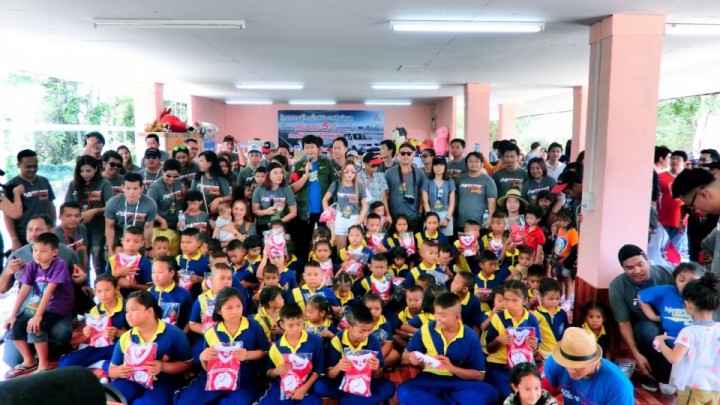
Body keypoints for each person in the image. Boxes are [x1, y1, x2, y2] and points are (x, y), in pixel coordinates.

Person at [398, 292, 498, 405]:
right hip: (430, 379)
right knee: (405, 391)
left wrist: (452, 368)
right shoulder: (426, 329)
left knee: (489, 393)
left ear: (457, 317)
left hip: (459, 381)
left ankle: (439, 401)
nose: (437, 318)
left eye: (442, 315)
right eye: (436, 313)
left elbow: (479, 375)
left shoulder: (470, 336)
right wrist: (411, 357)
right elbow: (405, 355)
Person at [3, 233, 74, 378]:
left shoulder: (59, 264)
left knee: (36, 327)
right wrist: (13, 315)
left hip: (58, 302)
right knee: (14, 326)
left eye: (43, 251)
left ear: (54, 252)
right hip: (36, 301)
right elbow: (24, 289)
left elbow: (49, 291)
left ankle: (44, 364)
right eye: (35, 250)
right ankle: (29, 360)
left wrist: (37, 316)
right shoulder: (32, 265)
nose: (38, 254)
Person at [609, 244, 674, 393]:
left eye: (640, 264)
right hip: (647, 328)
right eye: (630, 268)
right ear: (623, 269)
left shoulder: (668, 274)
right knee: (646, 330)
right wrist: (636, 354)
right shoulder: (617, 286)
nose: (637, 271)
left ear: (647, 259)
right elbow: (623, 322)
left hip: (673, 322)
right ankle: (659, 376)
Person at [108, 290, 192, 404]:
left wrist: (162, 366)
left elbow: (187, 364)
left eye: (134, 310)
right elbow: (111, 370)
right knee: (109, 397)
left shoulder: (175, 334)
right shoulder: (126, 337)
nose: (129, 315)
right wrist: (119, 371)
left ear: (150, 311)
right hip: (131, 380)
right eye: (127, 311)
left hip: (162, 381)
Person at [654, 272, 720, 405]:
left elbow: (674, 358)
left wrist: (661, 343)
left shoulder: (689, 332)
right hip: (716, 388)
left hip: (692, 387)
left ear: (688, 306)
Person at [313, 305, 396, 404]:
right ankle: (357, 400)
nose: (366, 334)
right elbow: (331, 375)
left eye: (369, 330)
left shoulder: (373, 341)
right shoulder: (337, 340)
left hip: (366, 382)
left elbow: (378, 376)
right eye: (362, 331)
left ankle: (348, 401)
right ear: (348, 327)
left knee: (389, 387)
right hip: (342, 382)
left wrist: (376, 368)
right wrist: (339, 366)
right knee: (320, 386)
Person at [544, 327, 634, 405]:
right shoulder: (555, 362)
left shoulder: (619, 387)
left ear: (594, 361)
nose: (571, 370)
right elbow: (541, 393)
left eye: (578, 366)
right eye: (567, 364)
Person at [58, 274, 128, 373]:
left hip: (122, 346)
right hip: (100, 347)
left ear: (116, 289)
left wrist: (119, 333)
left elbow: (140, 333)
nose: (103, 294)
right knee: (65, 364)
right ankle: (102, 363)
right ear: (94, 292)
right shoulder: (95, 310)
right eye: (99, 291)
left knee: (125, 363)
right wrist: (87, 332)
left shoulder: (127, 307)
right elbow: (94, 335)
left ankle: (101, 363)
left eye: (107, 290)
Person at [257, 303, 324, 404]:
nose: (295, 329)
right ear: (282, 325)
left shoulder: (315, 340)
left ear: (303, 321)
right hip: (282, 387)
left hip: (307, 387)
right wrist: (276, 371)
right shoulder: (276, 347)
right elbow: (269, 372)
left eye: (299, 324)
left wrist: (304, 389)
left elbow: (318, 370)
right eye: (290, 325)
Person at [289, 135, 335, 262]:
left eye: (312, 147)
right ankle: (303, 269)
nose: (309, 150)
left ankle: (327, 268)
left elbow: (333, 184)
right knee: (303, 244)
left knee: (325, 243)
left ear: (318, 148)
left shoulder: (327, 163)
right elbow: (293, 188)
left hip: (323, 211)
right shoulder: (299, 164)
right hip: (304, 212)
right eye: (307, 147)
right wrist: (305, 175)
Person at [65, 155, 113, 274]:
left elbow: (110, 207)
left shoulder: (104, 183)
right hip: (78, 227)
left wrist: (95, 211)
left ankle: (101, 283)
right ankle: (84, 284)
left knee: (98, 259)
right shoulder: (73, 184)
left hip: (98, 226)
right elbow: (67, 206)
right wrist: (76, 215)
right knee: (81, 260)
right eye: (81, 171)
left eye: (88, 171)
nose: (85, 174)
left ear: (95, 169)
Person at [5, 149, 56, 248]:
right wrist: (14, 239)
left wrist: (53, 225)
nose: (32, 169)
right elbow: (7, 216)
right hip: (25, 236)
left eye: (35, 166)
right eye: (28, 166)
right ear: (18, 165)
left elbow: (51, 205)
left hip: (46, 234)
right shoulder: (11, 185)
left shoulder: (44, 181)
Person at [104, 172, 158, 254]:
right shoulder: (113, 202)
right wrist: (110, 249)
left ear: (142, 188)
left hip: (138, 236)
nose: (131, 192)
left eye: (135, 189)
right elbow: (109, 227)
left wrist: (148, 248)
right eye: (128, 188)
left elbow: (148, 227)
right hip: (118, 235)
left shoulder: (150, 204)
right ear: (122, 188)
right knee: (112, 258)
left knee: (139, 259)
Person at [323, 161, 368, 250]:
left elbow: (365, 205)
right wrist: (328, 217)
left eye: (352, 171)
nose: (350, 174)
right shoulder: (336, 184)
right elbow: (325, 200)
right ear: (343, 171)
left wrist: (360, 219)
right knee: (341, 251)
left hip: (355, 218)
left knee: (356, 249)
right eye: (347, 171)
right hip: (340, 217)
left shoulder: (359, 186)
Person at [147, 159, 184, 255]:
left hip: (176, 226)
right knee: (162, 255)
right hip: (161, 228)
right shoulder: (155, 188)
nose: (172, 179)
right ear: (162, 171)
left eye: (175, 176)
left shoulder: (178, 182)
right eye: (168, 175)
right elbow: (148, 209)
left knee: (174, 256)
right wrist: (161, 220)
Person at [385, 142, 425, 232]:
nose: (405, 156)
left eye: (409, 153)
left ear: (413, 155)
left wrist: (420, 212)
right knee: (394, 240)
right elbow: (384, 194)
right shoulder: (389, 173)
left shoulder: (419, 173)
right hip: (394, 216)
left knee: (412, 241)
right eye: (402, 153)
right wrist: (387, 213)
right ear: (398, 155)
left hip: (413, 216)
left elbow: (422, 194)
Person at [455, 151, 497, 234]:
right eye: (470, 161)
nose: (473, 164)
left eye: (476, 161)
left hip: (480, 224)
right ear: (466, 164)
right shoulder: (460, 179)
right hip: (461, 222)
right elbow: (455, 198)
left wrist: (491, 217)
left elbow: (491, 200)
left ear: (482, 164)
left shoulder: (488, 180)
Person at [253, 162, 297, 235]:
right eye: (275, 173)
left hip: (282, 223)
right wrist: (266, 211)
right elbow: (255, 211)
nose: (279, 175)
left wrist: (278, 223)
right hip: (264, 224)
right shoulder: (259, 190)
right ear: (268, 175)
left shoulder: (287, 189)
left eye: (281, 172)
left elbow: (293, 213)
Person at [658, 150, 689, 256]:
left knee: (674, 251)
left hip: (680, 221)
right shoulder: (660, 177)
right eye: (672, 158)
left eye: (678, 159)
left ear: (684, 162)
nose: (675, 160)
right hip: (662, 219)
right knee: (660, 249)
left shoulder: (688, 178)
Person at [191, 151, 232, 216]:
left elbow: (229, 197)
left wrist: (219, 199)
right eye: (199, 161)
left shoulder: (221, 179)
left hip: (217, 215)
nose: (199, 164)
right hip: (199, 215)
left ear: (209, 164)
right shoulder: (197, 177)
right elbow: (191, 196)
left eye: (201, 161)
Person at [422, 157, 456, 236]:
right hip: (431, 213)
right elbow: (425, 202)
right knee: (430, 239)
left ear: (445, 167)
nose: (438, 168)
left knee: (445, 240)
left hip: (445, 214)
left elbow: (452, 202)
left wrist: (447, 219)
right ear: (432, 167)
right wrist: (430, 218)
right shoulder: (427, 181)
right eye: (436, 165)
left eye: (441, 165)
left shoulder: (450, 182)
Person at [357, 153, 391, 225]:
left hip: (378, 215)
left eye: (377, 165)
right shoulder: (357, 178)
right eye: (373, 165)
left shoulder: (380, 176)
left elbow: (383, 196)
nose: (375, 168)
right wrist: (360, 217)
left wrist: (387, 214)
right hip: (363, 216)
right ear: (365, 164)